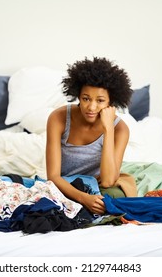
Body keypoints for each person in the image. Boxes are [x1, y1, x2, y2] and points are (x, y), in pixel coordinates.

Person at [46, 57, 137, 215]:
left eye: (100, 100)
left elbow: (108, 181)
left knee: (114, 197)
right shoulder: (58, 118)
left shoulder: (120, 129)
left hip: (100, 186)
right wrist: (84, 198)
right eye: (86, 98)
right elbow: (53, 176)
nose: (91, 107)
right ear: (78, 95)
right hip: (64, 186)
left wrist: (108, 129)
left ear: (111, 102)